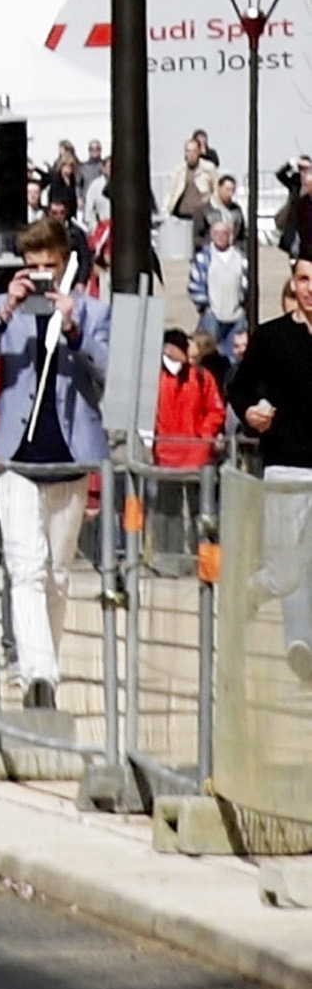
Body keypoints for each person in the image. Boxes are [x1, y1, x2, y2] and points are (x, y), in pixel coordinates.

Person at [0, 218, 110, 712]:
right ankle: (38, 676)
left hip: (69, 454)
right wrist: (6, 310)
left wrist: (73, 325)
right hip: (15, 455)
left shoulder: (93, 310)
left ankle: (46, 664)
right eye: (33, 267)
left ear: (67, 267)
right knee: (24, 567)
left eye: (50, 267)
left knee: (58, 574)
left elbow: (108, 372)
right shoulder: (9, 310)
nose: (42, 276)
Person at [229, 257, 312, 678]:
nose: (310, 288)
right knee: (284, 570)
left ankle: (302, 645)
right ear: (294, 284)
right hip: (286, 469)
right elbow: (239, 386)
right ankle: (244, 596)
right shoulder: (273, 337)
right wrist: (249, 413)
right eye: (303, 279)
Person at [188, 219, 248, 359]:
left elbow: (247, 284)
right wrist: (205, 307)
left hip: (236, 315)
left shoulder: (240, 257)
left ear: (231, 235)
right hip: (212, 315)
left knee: (236, 356)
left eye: (224, 233)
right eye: (217, 233)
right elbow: (194, 285)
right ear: (211, 235)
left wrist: (243, 305)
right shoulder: (203, 257)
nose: (221, 236)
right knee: (210, 355)